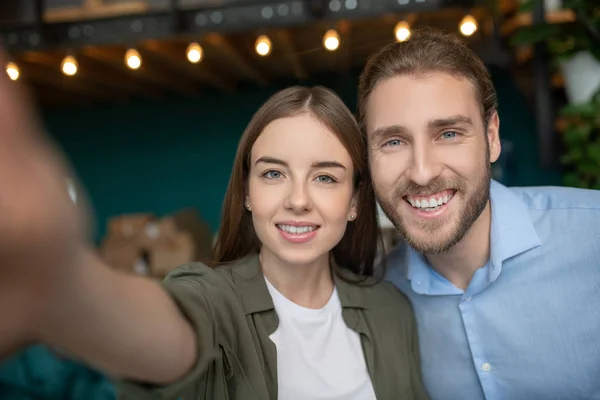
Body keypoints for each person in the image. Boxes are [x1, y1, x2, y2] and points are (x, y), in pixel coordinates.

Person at [0, 70, 428, 399]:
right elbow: (172, 334)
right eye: (274, 173)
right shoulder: (212, 299)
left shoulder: (390, 310)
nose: (298, 200)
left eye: (325, 178)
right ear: (246, 192)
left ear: (355, 202)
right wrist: (66, 283)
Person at [357, 27, 600, 400]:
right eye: (393, 142)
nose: (422, 172)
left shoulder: (592, 237)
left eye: (449, 133)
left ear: (491, 137)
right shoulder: (379, 297)